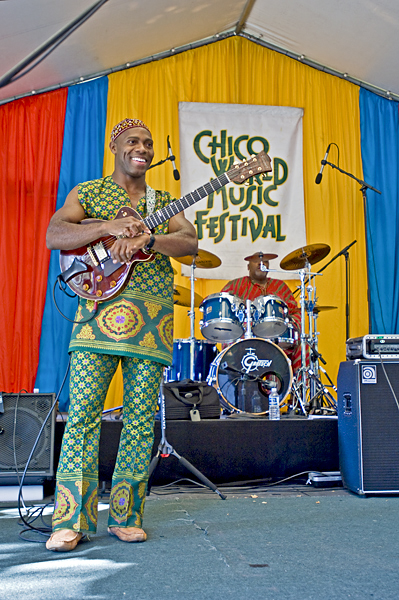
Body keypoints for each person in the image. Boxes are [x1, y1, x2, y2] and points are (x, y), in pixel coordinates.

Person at [45, 118, 198, 552]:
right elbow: (56, 234)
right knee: (83, 415)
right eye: (134, 141)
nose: (143, 149)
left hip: (151, 325)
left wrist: (151, 239)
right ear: (115, 146)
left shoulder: (164, 200)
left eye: (149, 143)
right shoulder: (90, 193)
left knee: (137, 421)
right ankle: (70, 520)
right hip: (96, 316)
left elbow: (189, 242)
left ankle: (128, 516)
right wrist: (107, 228)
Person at [221, 251, 303, 374]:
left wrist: (290, 325)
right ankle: (236, 387)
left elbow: (295, 312)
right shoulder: (235, 286)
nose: (261, 264)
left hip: (278, 342)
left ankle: (302, 390)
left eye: (265, 262)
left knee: (305, 346)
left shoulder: (280, 286)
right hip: (245, 342)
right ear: (248, 267)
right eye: (256, 261)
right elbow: (223, 312)